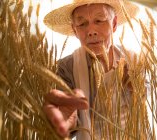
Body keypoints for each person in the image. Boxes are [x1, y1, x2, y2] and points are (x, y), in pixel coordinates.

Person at [43, 0, 139, 139]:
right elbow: (68, 118)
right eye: (82, 24)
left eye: (99, 20)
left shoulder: (134, 60)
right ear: (75, 30)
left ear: (114, 24)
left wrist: (136, 90)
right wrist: (66, 122)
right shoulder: (66, 67)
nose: (91, 31)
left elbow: (144, 105)